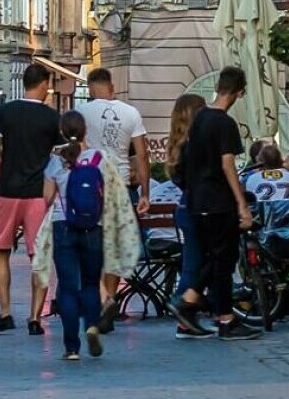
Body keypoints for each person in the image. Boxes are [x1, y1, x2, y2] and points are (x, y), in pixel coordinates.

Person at [0, 63, 63, 336]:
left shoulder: (5, 112)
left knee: (1, 251)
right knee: (39, 255)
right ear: (44, 84)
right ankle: (35, 316)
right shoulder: (51, 117)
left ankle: (5, 311)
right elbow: (60, 155)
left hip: (8, 191)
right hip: (38, 194)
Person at [172, 67, 261, 342]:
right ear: (240, 92)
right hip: (218, 201)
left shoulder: (199, 119)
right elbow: (227, 163)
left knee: (216, 258)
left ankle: (191, 300)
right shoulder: (225, 123)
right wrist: (241, 203)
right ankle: (224, 319)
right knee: (224, 260)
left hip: (197, 201)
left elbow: (187, 159)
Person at [74, 67, 150, 326]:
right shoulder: (131, 113)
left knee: (91, 246)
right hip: (121, 187)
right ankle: (110, 297)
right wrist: (145, 193)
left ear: (91, 87)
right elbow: (141, 155)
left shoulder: (82, 113)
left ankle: (102, 299)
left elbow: (74, 150)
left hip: (91, 187)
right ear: (111, 86)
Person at [37, 112, 107, 361]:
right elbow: (107, 195)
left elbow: (46, 198)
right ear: (85, 130)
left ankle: (71, 347)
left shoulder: (56, 161)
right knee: (90, 283)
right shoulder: (99, 158)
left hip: (63, 225)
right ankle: (91, 325)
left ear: (63, 132)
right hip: (93, 227)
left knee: (68, 287)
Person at [162, 92, 208, 333]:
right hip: (195, 209)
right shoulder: (195, 146)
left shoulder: (178, 146)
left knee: (195, 263)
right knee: (197, 264)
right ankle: (183, 306)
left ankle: (186, 317)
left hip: (184, 207)